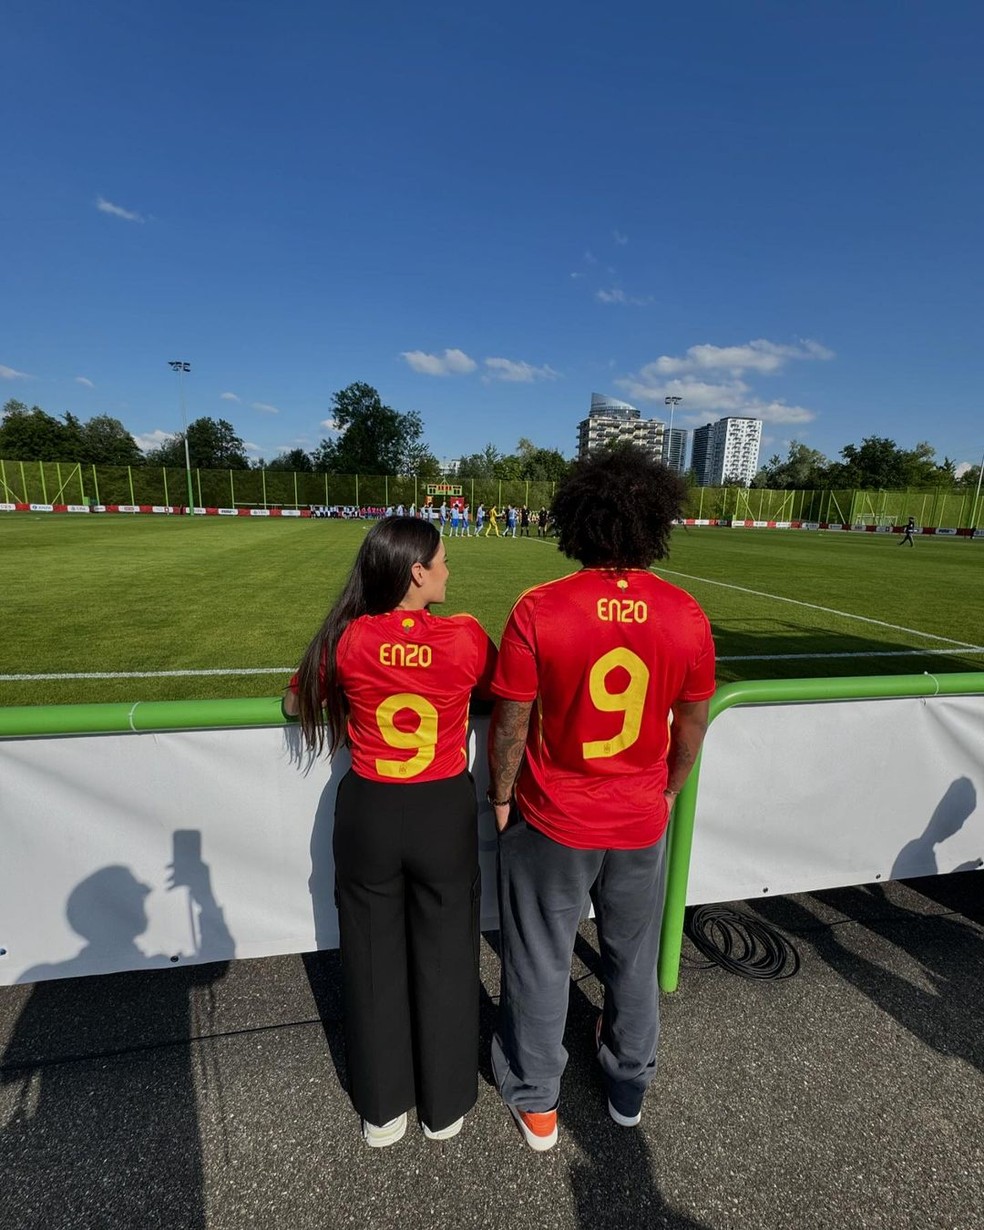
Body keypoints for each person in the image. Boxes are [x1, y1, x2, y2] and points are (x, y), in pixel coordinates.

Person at [487, 448, 716, 1152]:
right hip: (640, 815)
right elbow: (693, 724)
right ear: (655, 522)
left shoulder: (540, 606)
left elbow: (513, 721)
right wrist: (670, 789)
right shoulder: (685, 613)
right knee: (631, 956)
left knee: (540, 957)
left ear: (576, 519)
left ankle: (537, 1099)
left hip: (555, 817)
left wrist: (501, 795)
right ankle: (627, 1086)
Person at [284, 517, 497, 1147]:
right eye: (444, 560)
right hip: (441, 810)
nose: (450, 569)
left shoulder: (348, 638)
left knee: (372, 955)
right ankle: (446, 1103)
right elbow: (495, 691)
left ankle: (382, 1110)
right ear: (416, 572)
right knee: (447, 954)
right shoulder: (464, 635)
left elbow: (298, 704)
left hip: (371, 807)